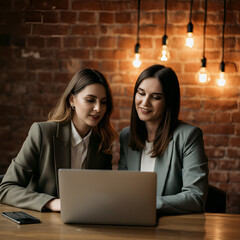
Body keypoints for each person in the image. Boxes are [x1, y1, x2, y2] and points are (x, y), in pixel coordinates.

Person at [0, 68, 116, 212]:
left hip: (84, 222)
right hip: (42, 225)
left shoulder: (102, 144)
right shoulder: (43, 133)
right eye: (90, 100)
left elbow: (102, 194)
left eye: (103, 102)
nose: (98, 108)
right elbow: (6, 188)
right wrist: (51, 202)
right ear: (72, 100)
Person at [118, 64, 208, 215]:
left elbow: (195, 197)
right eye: (141, 93)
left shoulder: (189, 136)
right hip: (132, 223)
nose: (145, 102)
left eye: (155, 97)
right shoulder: (127, 136)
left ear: (168, 102)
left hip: (172, 230)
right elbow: (121, 189)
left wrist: (147, 204)